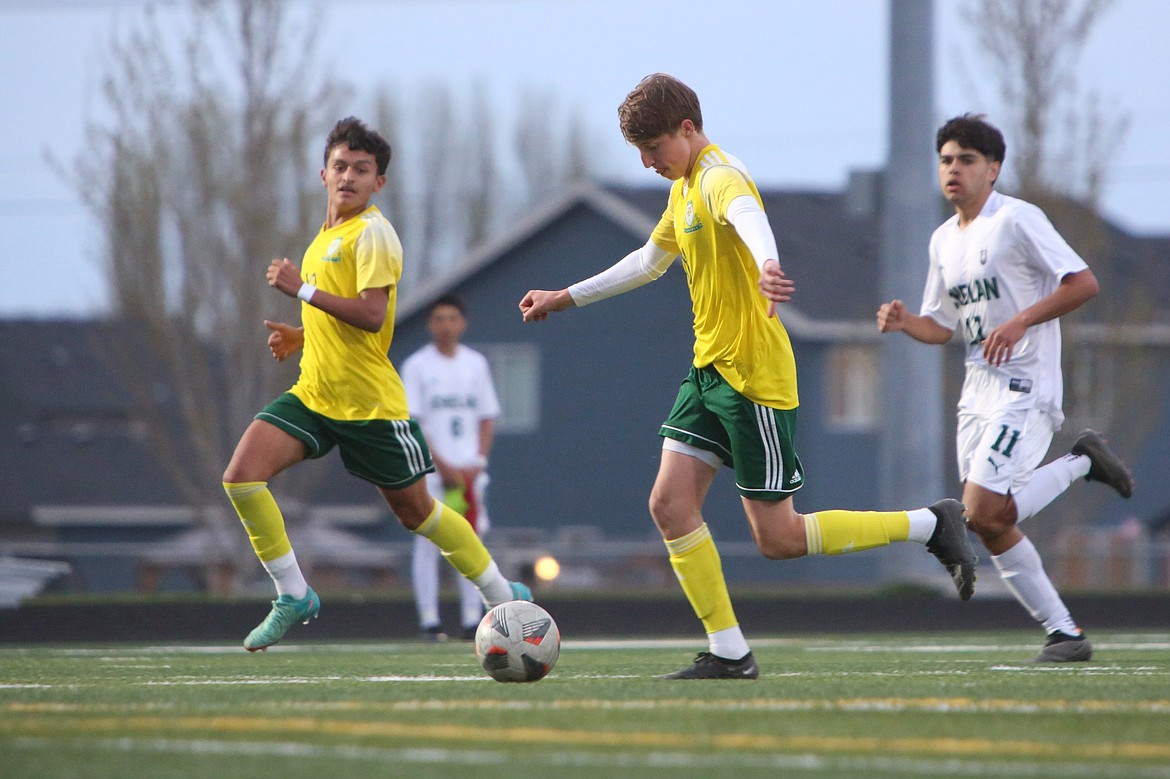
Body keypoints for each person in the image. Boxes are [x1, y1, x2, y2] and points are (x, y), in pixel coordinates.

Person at [518, 73, 977, 680]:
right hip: (709, 371)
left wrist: (767, 263)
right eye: (640, 153)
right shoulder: (683, 188)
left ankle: (928, 524)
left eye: (654, 148)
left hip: (753, 378)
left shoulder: (717, 177)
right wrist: (565, 296)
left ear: (687, 129)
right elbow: (650, 261)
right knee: (669, 504)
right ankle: (730, 650)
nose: (649, 162)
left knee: (779, 538)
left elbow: (746, 213)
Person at [221, 116, 529, 652]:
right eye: (340, 166)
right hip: (315, 394)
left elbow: (370, 314)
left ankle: (501, 594)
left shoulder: (374, 234)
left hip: (369, 405)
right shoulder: (324, 238)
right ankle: (292, 594)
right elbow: (337, 317)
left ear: (378, 183)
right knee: (242, 477)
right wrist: (303, 335)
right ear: (323, 174)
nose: (349, 177)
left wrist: (302, 292)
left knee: (419, 514)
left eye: (362, 170)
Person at [877, 113, 1135, 663]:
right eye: (946, 160)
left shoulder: (1018, 219)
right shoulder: (943, 240)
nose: (953, 170)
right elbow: (942, 326)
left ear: (993, 169)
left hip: (1025, 382)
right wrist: (905, 323)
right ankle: (1064, 634)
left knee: (981, 509)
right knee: (987, 521)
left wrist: (1021, 321)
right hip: (978, 392)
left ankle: (1081, 465)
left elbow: (1083, 282)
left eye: (966, 160)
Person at [401, 294, 501, 641]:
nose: (446, 325)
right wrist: (439, 463)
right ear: (430, 325)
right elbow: (414, 422)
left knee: (472, 539)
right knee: (429, 541)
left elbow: (487, 417)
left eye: (452, 318)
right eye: (439, 319)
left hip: (470, 473)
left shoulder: (475, 364)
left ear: (463, 322)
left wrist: (477, 462)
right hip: (432, 472)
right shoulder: (417, 366)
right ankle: (430, 620)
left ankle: (472, 618)